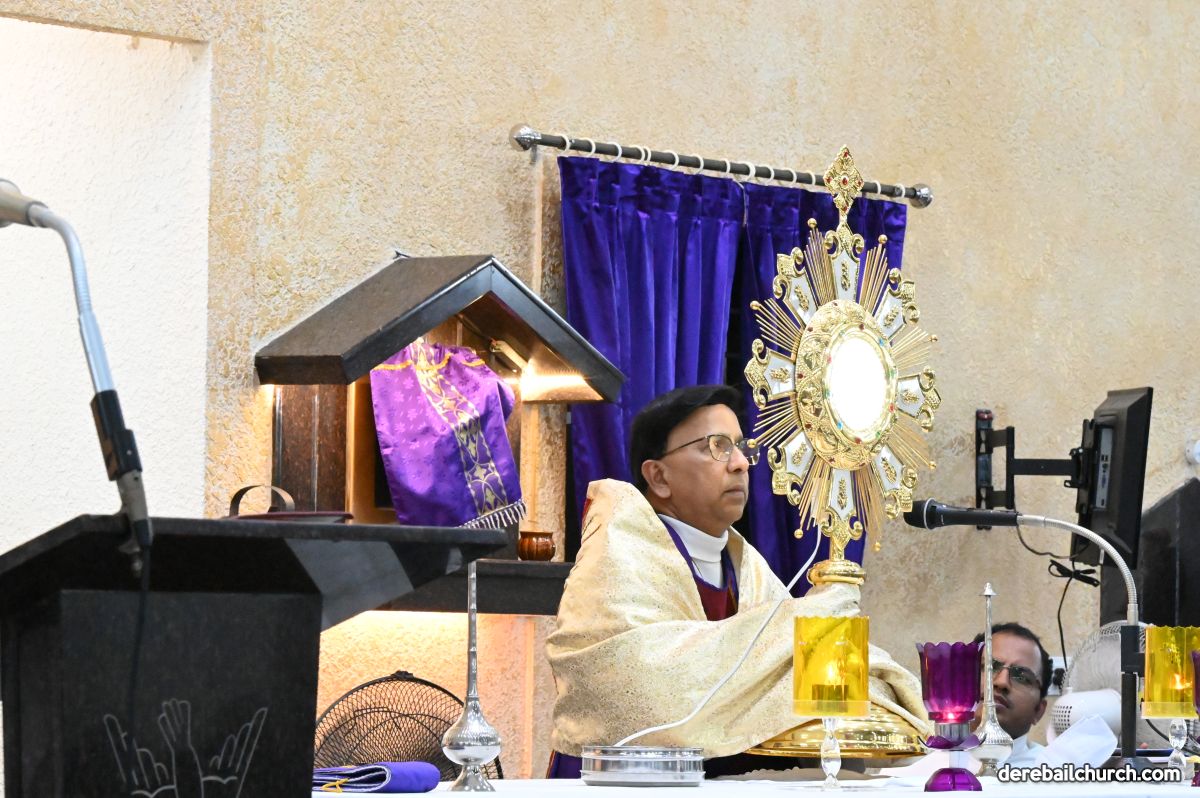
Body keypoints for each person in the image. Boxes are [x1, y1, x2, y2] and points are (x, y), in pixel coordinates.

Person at [545, 384, 927, 777]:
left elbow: (804, 680)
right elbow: (645, 689)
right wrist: (798, 627)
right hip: (627, 781)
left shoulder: (748, 569)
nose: (741, 463)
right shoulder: (619, 554)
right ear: (658, 477)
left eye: (742, 448)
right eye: (717, 446)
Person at [973, 622, 1053, 767]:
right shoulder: (929, 768)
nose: (1001, 682)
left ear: (1038, 710)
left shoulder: (1054, 773)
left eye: (1021, 677)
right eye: (989, 667)